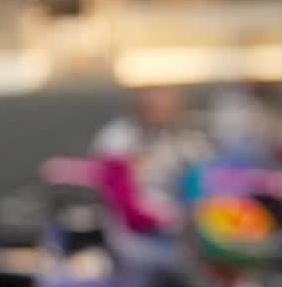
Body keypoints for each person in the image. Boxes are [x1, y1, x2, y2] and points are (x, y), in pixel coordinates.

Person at [90, 83, 210, 232]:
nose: (155, 99)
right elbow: (124, 205)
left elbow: (204, 189)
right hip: (133, 237)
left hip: (187, 233)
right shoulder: (116, 139)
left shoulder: (190, 138)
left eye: (164, 92)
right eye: (148, 91)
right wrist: (173, 219)